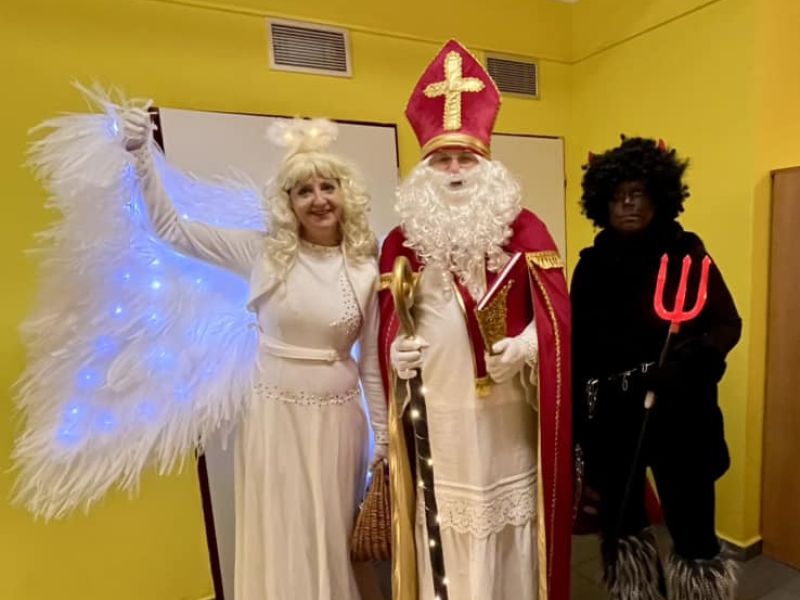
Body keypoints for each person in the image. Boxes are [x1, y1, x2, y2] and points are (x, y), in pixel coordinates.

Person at [120, 112, 388, 599]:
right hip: (275, 415)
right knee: (285, 524)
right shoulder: (264, 253)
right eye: (303, 191)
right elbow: (172, 230)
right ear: (288, 202)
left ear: (344, 193)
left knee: (333, 529)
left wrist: (385, 438)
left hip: (340, 421)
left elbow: (370, 361)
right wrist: (141, 158)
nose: (318, 200)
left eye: (327, 186)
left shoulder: (365, 266)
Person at [377, 39, 572, 600]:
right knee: (444, 527)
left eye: (466, 159)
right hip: (440, 419)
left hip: (508, 418)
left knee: (509, 525)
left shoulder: (526, 229)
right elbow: (387, 323)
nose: (456, 170)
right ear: (425, 170)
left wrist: (528, 347)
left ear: (487, 166)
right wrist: (393, 352)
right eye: (443, 160)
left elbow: (558, 317)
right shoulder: (401, 241)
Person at [571, 136, 741, 599]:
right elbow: (578, 346)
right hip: (613, 419)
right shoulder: (591, 266)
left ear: (660, 197)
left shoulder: (688, 255)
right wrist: (581, 424)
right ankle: (637, 591)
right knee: (622, 523)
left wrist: (691, 361)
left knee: (692, 525)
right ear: (601, 203)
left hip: (681, 413)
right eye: (617, 195)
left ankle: (699, 591)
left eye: (638, 193)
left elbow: (727, 324)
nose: (627, 204)